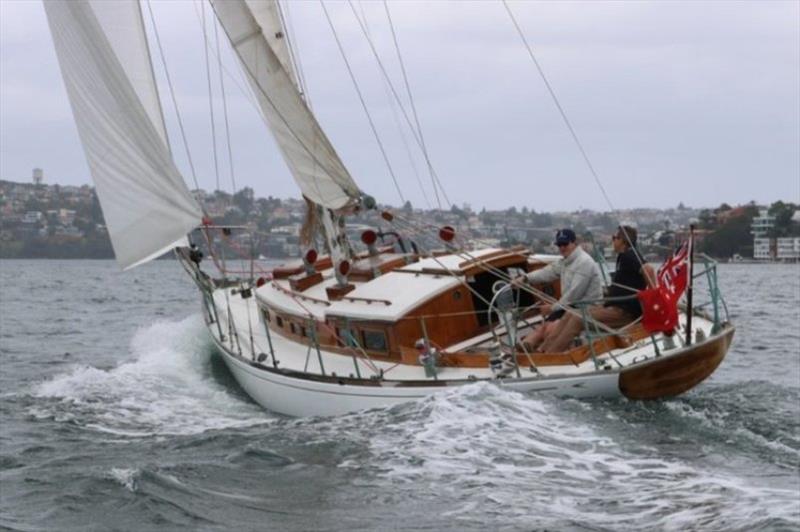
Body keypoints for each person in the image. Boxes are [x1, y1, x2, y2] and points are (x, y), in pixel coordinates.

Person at [538, 225, 655, 353]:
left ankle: (551, 354)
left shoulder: (629, 255)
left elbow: (648, 269)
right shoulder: (624, 256)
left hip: (624, 312)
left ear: (623, 241)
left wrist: (655, 296)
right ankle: (543, 351)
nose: (612, 241)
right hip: (614, 307)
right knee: (570, 313)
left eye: (614, 238)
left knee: (578, 318)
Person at [512, 229, 604, 351]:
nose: (562, 247)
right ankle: (523, 348)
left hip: (585, 307)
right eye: (559, 245)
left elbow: (574, 294)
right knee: (543, 328)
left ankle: (542, 354)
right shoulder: (565, 262)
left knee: (552, 327)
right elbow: (546, 273)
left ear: (574, 243)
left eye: (565, 244)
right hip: (569, 306)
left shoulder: (584, 262)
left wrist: (552, 307)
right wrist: (525, 278)